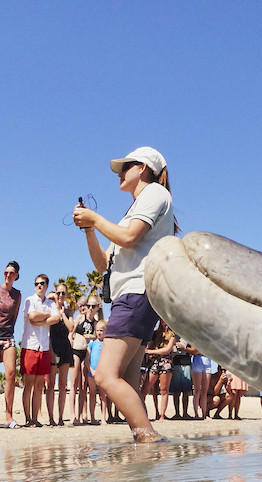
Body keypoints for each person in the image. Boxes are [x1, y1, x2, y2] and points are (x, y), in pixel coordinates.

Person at [73, 145, 176, 443]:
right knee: (129, 381)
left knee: (104, 376)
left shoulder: (155, 194)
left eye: (124, 167)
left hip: (135, 294)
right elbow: (104, 264)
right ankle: (145, 450)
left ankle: (151, 439)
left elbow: (129, 238)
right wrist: (90, 230)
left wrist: (95, 218)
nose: (119, 173)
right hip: (133, 298)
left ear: (142, 168)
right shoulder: (134, 210)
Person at [20, 275, 60, 428]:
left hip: (43, 347)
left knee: (39, 385)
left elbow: (57, 318)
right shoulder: (30, 300)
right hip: (30, 345)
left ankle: (35, 418)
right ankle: (28, 418)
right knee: (28, 384)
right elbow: (32, 317)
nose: (39, 286)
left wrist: (41, 320)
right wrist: (47, 316)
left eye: (42, 283)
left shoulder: (50, 303)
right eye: (36, 283)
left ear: (47, 285)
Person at [46, 282, 76, 426]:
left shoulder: (68, 312)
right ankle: (51, 417)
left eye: (63, 293)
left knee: (63, 384)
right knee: (50, 384)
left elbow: (70, 327)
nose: (60, 296)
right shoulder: (49, 308)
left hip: (64, 347)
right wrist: (51, 298)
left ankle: (60, 417)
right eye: (58, 293)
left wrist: (62, 313)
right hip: (52, 345)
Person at [70, 297, 99, 424]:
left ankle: (82, 414)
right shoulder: (80, 318)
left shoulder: (96, 322)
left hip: (88, 353)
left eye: (93, 306)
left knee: (84, 384)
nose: (90, 309)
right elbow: (72, 332)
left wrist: (88, 337)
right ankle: (72, 415)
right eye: (88, 306)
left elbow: (97, 336)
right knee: (74, 383)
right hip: (77, 350)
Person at [1, 261, 21, 428]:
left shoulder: (17, 294)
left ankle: (8, 417)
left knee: (11, 373)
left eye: (11, 273)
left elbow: (14, 318)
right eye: (6, 272)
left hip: (8, 337)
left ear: (16, 276)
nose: (8, 275)